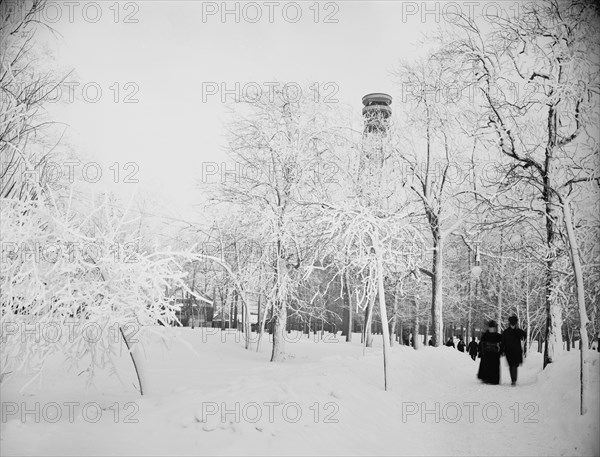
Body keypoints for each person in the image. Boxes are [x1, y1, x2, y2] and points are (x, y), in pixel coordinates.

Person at [501, 315, 526, 386]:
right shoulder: (506, 332)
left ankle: (514, 380)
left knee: (514, 366)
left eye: (513, 324)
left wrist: (502, 350)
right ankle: (513, 380)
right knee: (512, 366)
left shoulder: (517, 331)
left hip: (515, 351)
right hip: (510, 352)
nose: (512, 325)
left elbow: (524, 335)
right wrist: (502, 351)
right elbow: (503, 342)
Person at [477, 320, 502, 385]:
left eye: (493, 328)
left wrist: (500, 351)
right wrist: (482, 352)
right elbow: (481, 344)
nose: (492, 329)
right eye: (491, 328)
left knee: (494, 367)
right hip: (487, 353)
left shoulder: (498, 336)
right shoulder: (485, 335)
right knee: (486, 366)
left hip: (494, 353)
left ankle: (493, 380)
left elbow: (502, 343)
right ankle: (486, 378)